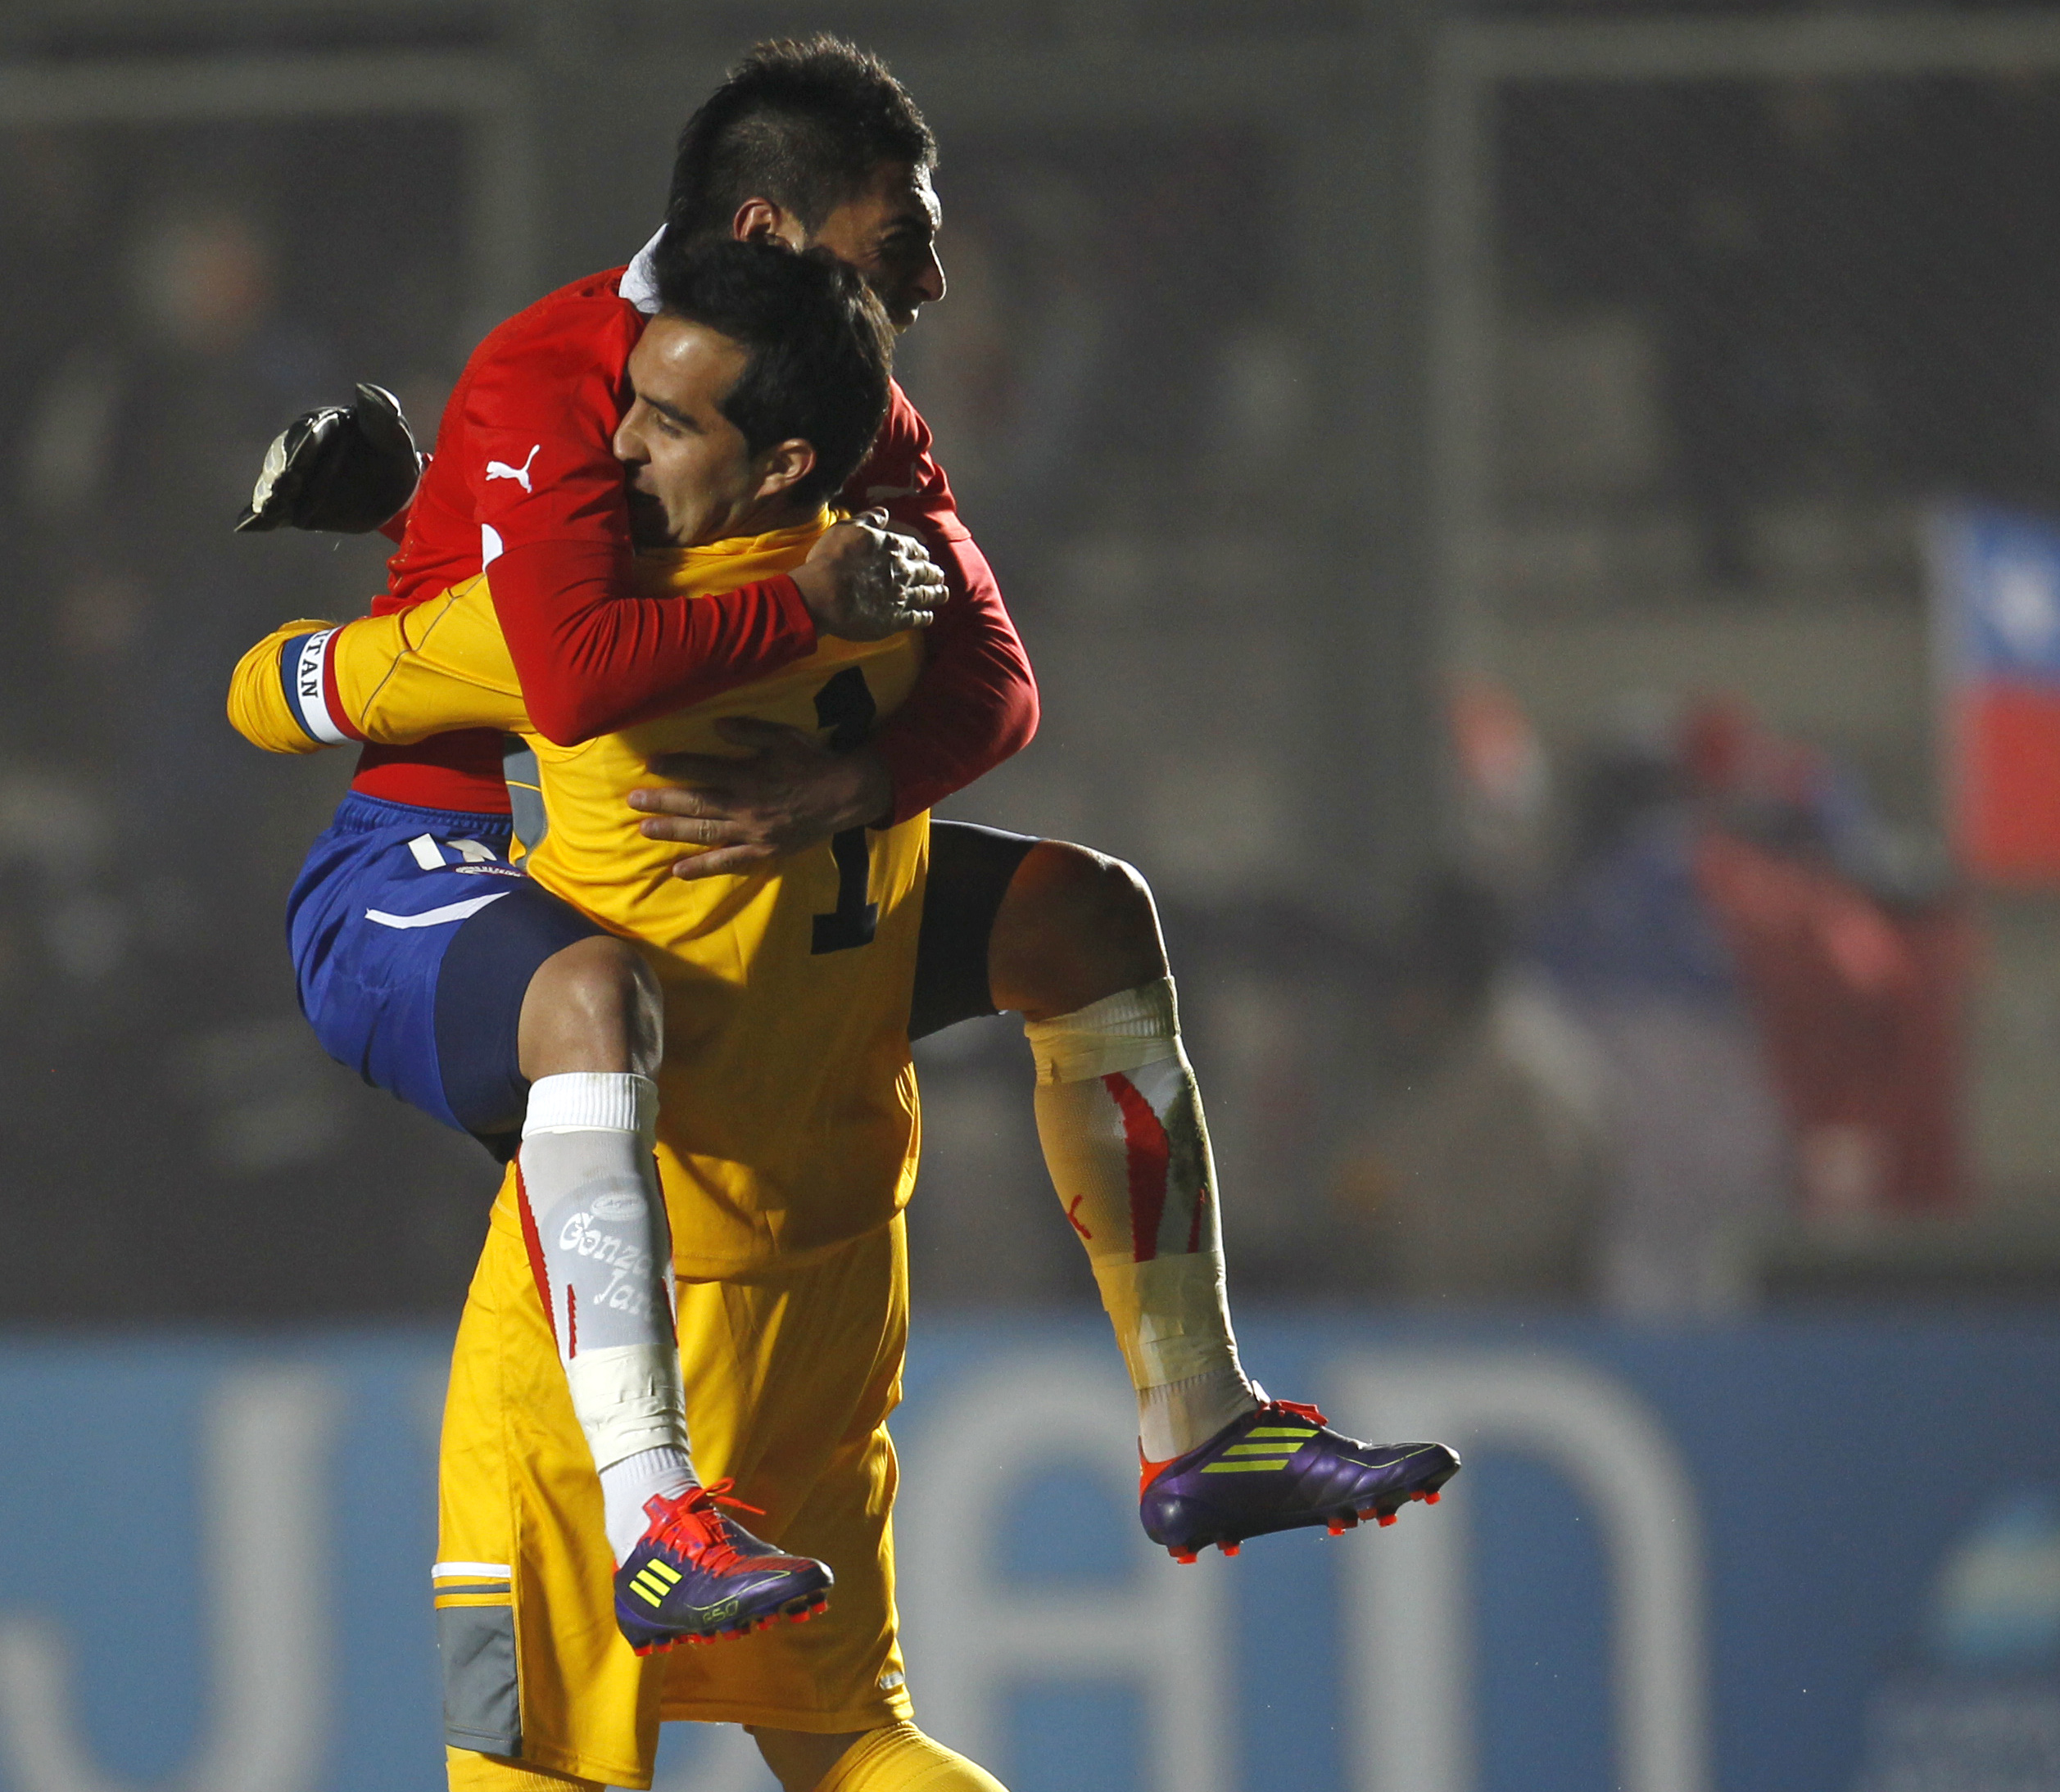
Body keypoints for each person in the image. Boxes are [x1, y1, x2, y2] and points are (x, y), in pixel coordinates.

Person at [241, 28, 1456, 1602]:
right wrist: (808, 609)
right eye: (905, 237)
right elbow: (574, 671)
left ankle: (1201, 1424)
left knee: (1086, 914)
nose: (936, 280)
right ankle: (650, 1516)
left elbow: (1001, 681)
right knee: (589, 1003)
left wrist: (862, 782)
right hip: (448, 853)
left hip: (705, 857)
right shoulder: (555, 382)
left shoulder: (851, 410)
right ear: (766, 230)